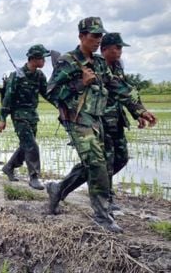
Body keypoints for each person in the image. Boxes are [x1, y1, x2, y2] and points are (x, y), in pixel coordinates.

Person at [46, 17, 157, 233]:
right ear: (81, 36)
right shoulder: (68, 61)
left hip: (96, 120)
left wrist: (139, 110)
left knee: (103, 164)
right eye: (94, 35)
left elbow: (118, 86)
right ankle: (102, 217)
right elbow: (51, 93)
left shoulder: (98, 63)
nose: (98, 40)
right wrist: (81, 83)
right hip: (77, 120)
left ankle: (58, 190)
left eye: (100, 36)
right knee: (97, 164)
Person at [0, 44, 53, 190]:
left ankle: (9, 167)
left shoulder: (39, 75)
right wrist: (2, 118)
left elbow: (46, 93)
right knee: (31, 145)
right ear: (34, 59)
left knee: (26, 145)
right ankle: (34, 177)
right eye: (42, 58)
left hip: (32, 115)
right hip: (19, 115)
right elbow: (8, 98)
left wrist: (61, 105)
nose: (44, 61)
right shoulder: (17, 75)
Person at [100, 33, 144, 210]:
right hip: (100, 121)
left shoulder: (118, 67)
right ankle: (106, 198)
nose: (120, 51)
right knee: (107, 161)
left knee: (122, 157)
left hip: (117, 120)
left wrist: (138, 113)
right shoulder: (97, 66)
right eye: (117, 48)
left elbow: (126, 91)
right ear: (105, 49)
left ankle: (98, 184)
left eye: (121, 48)